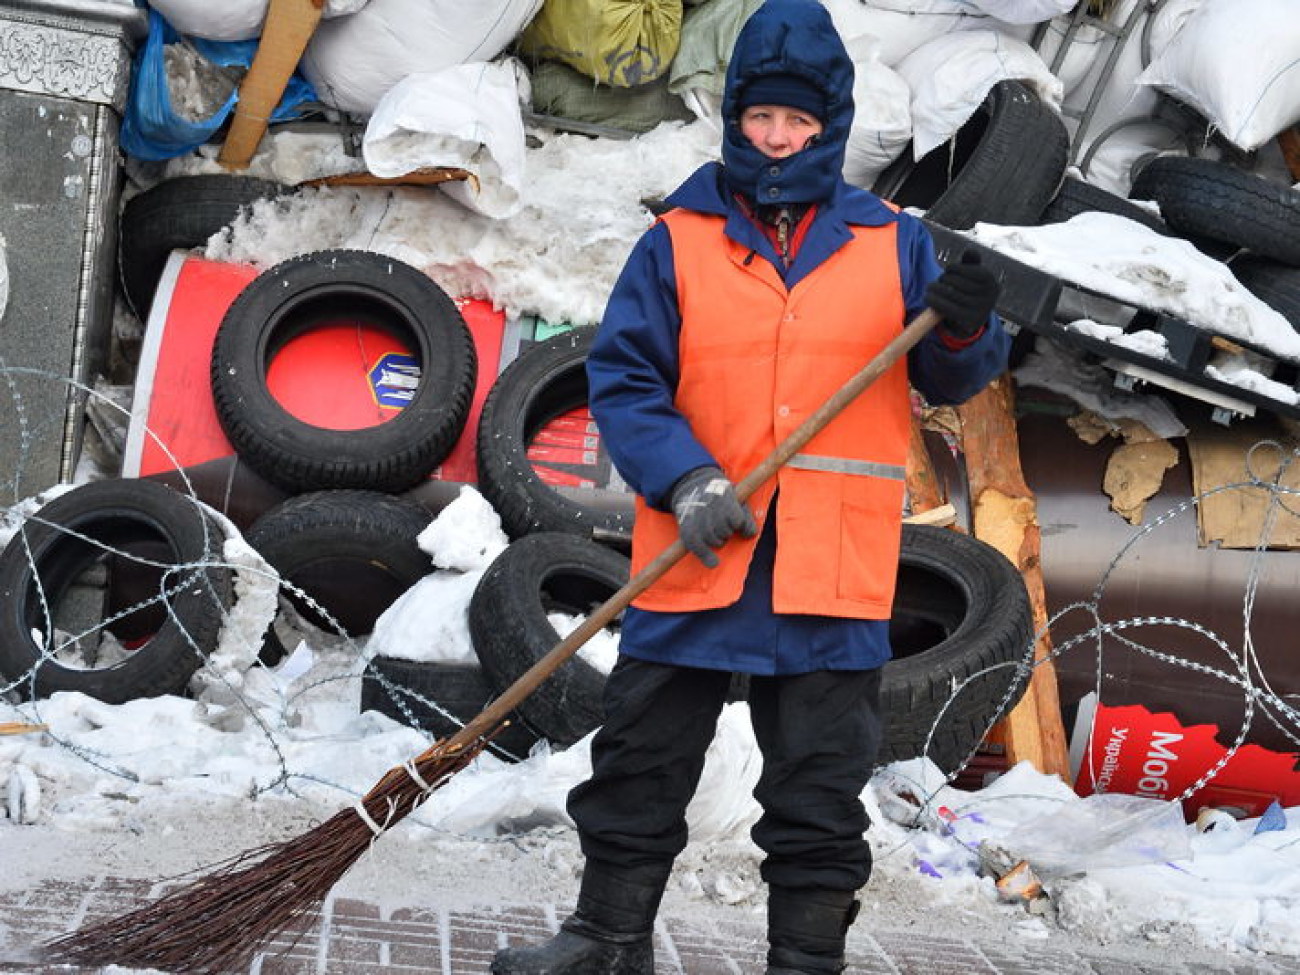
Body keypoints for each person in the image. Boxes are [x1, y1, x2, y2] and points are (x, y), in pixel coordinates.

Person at [491, 1, 1009, 973]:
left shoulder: (891, 245)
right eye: (760, 120)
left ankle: (803, 962)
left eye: (796, 123)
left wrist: (962, 324)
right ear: (733, 119)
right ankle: (607, 938)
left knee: (818, 785)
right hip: (700, 545)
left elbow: (950, 376)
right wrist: (684, 480)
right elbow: (626, 379)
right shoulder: (677, 241)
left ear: (830, 126)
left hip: (829, 561)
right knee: (638, 762)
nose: (775, 140)